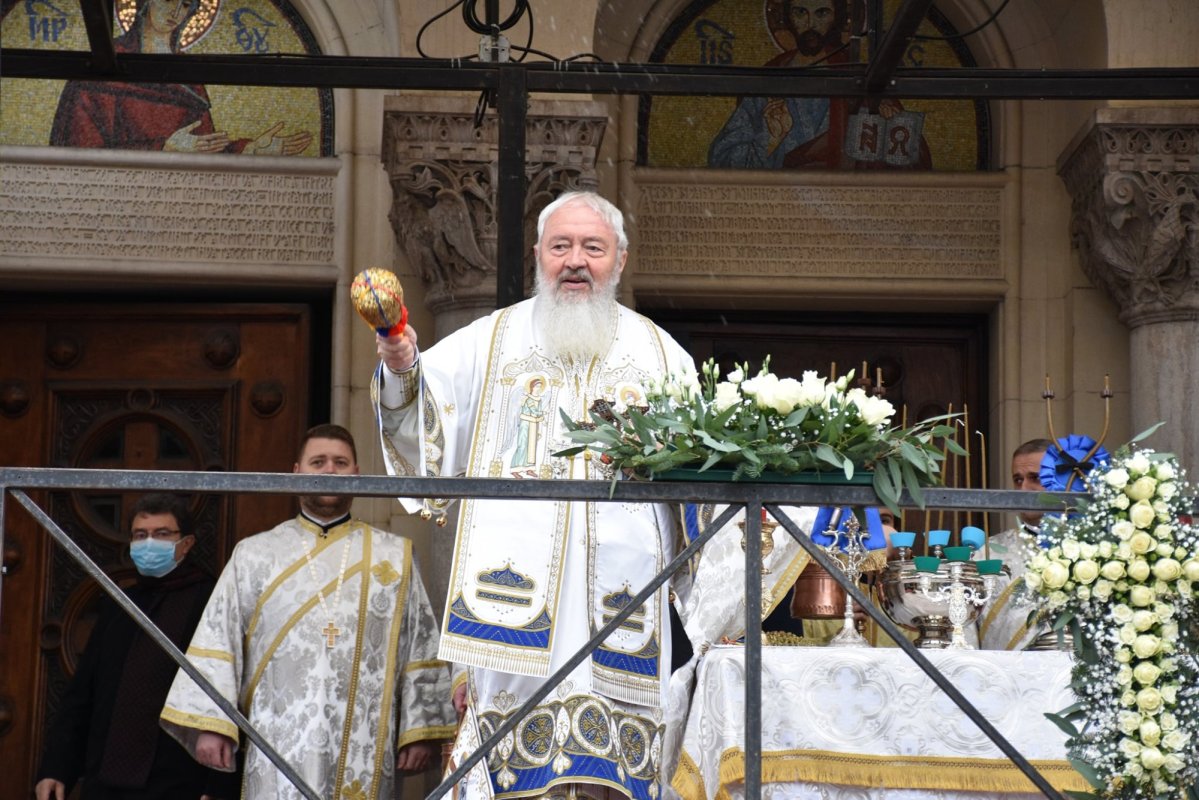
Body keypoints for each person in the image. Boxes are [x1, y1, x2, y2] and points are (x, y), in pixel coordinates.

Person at [374, 191, 697, 800]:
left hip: (624, 601)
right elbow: (423, 419)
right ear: (538, 256)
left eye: (593, 248)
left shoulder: (660, 356)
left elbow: (704, 479)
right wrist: (400, 367)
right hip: (514, 604)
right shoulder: (490, 340)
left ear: (620, 261)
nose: (576, 261)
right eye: (561, 246)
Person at [160, 424, 455, 800]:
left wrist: (420, 729)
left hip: (365, 745)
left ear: (357, 474)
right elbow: (219, 640)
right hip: (274, 741)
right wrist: (213, 724)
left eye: (340, 462)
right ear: (296, 472)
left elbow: (419, 646)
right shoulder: (254, 554)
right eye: (318, 462)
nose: (329, 471)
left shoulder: (393, 556)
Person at [34, 492, 237, 800]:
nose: (149, 543)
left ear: (187, 543)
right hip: (106, 781)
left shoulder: (212, 601)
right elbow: (84, 695)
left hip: (178, 781)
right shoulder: (121, 604)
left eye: (162, 534)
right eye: (140, 535)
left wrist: (218, 787)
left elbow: (229, 695)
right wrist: (57, 768)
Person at [50, 0, 312, 155]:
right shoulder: (101, 64)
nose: (175, 11)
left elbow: (203, 147)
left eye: (185, 3)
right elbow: (78, 152)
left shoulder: (190, 76)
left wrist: (249, 150)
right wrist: (163, 148)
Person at [708, 0, 930, 170]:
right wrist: (769, 139)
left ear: (838, 17)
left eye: (822, 12)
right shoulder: (767, 85)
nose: (810, 24)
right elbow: (721, 162)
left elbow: (916, 160)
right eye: (800, 12)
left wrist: (889, 128)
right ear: (788, 16)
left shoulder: (860, 79)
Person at [977, 437, 1054, 650]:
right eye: (1017, 480)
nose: (1024, 488)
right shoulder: (987, 553)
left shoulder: (1092, 550)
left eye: (1035, 478)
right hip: (1003, 678)